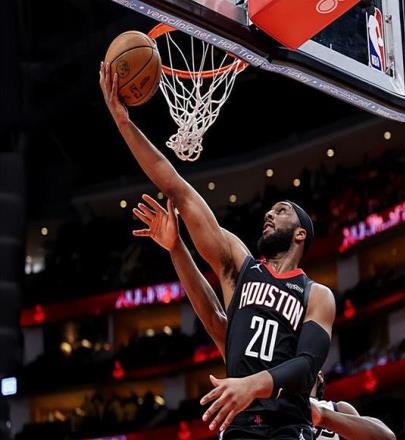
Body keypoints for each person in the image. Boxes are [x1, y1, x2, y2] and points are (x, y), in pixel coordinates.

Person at [100, 62, 336, 439]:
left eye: (282, 211)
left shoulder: (316, 295)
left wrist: (251, 385)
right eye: (270, 210)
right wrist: (124, 123)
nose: (270, 214)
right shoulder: (241, 266)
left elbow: (307, 366)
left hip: (288, 427)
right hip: (240, 426)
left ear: (300, 234)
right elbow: (178, 189)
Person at [132, 196, 395, 440]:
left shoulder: (334, 410)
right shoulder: (250, 377)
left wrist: (323, 416)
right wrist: (177, 248)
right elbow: (213, 317)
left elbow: (386, 437)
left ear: (319, 377)